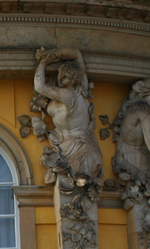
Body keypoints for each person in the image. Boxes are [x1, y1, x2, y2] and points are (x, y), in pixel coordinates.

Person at [32, 48, 103, 184]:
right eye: (60, 74)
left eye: (64, 76)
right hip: (78, 147)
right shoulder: (82, 89)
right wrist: (54, 54)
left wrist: (44, 62)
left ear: (74, 77)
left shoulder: (68, 94)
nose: (60, 78)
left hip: (77, 150)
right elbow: (77, 54)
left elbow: (40, 87)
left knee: (73, 191)